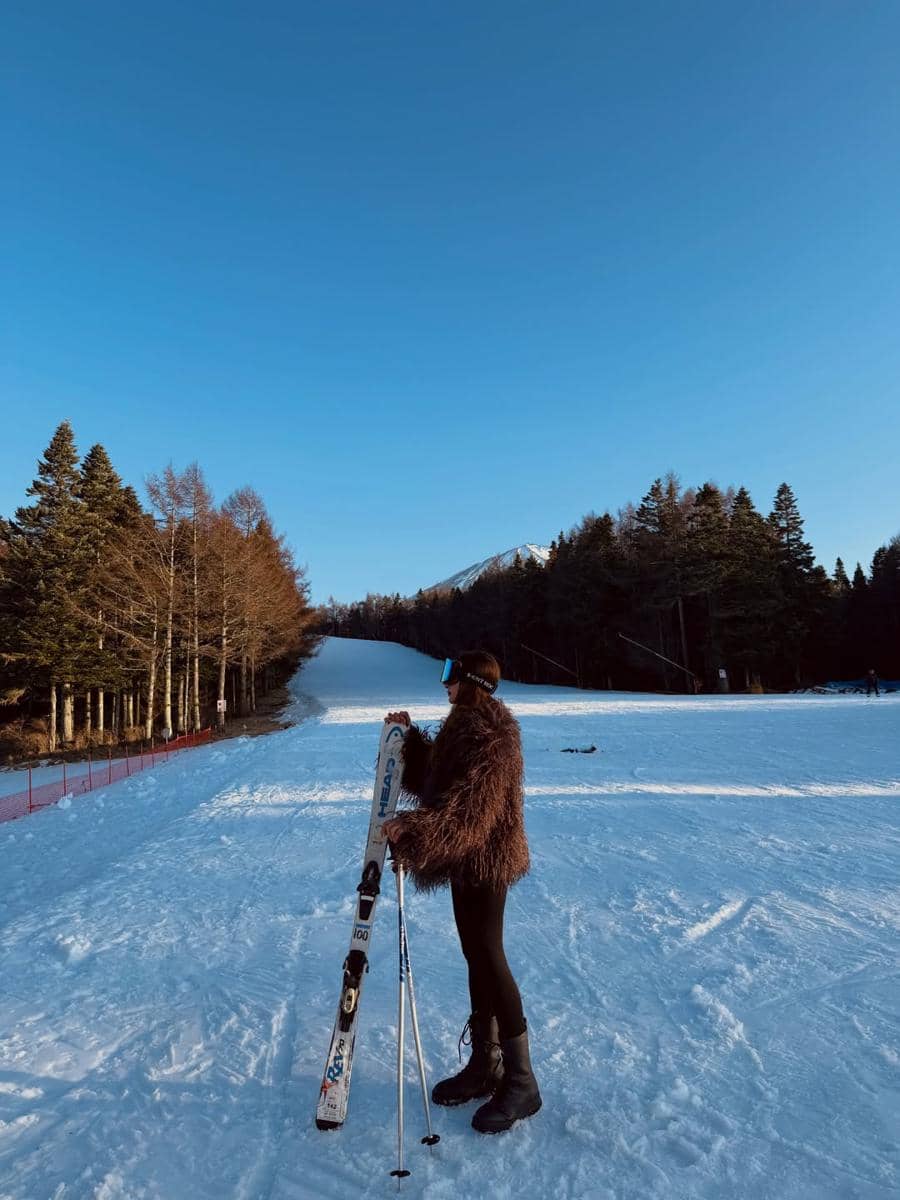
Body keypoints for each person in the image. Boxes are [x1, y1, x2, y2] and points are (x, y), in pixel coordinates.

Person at [381, 650, 542, 1135]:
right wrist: (408, 741)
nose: (444, 685)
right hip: (466, 859)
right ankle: (485, 1064)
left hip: (487, 859)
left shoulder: (491, 735)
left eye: (450, 676)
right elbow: (436, 783)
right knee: (476, 954)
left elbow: (468, 814)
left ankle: (522, 1080)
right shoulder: (464, 724)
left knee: (489, 954)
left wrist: (411, 830)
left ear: (471, 681)